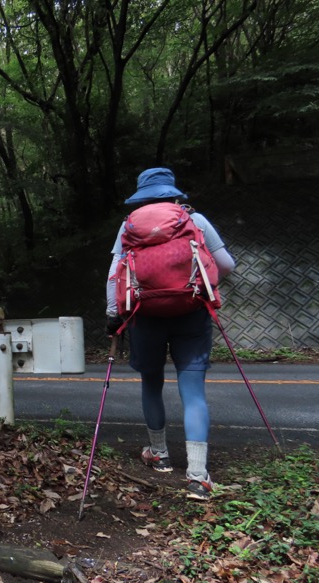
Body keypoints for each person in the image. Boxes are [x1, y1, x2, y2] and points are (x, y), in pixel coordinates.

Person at [105, 168, 236, 501]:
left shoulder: (129, 225)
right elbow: (227, 264)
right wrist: (202, 283)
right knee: (192, 391)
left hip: (145, 316)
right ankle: (197, 476)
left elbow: (113, 276)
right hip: (191, 314)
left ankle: (159, 455)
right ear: (172, 192)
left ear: (141, 196)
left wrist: (113, 317)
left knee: (152, 383)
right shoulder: (195, 220)